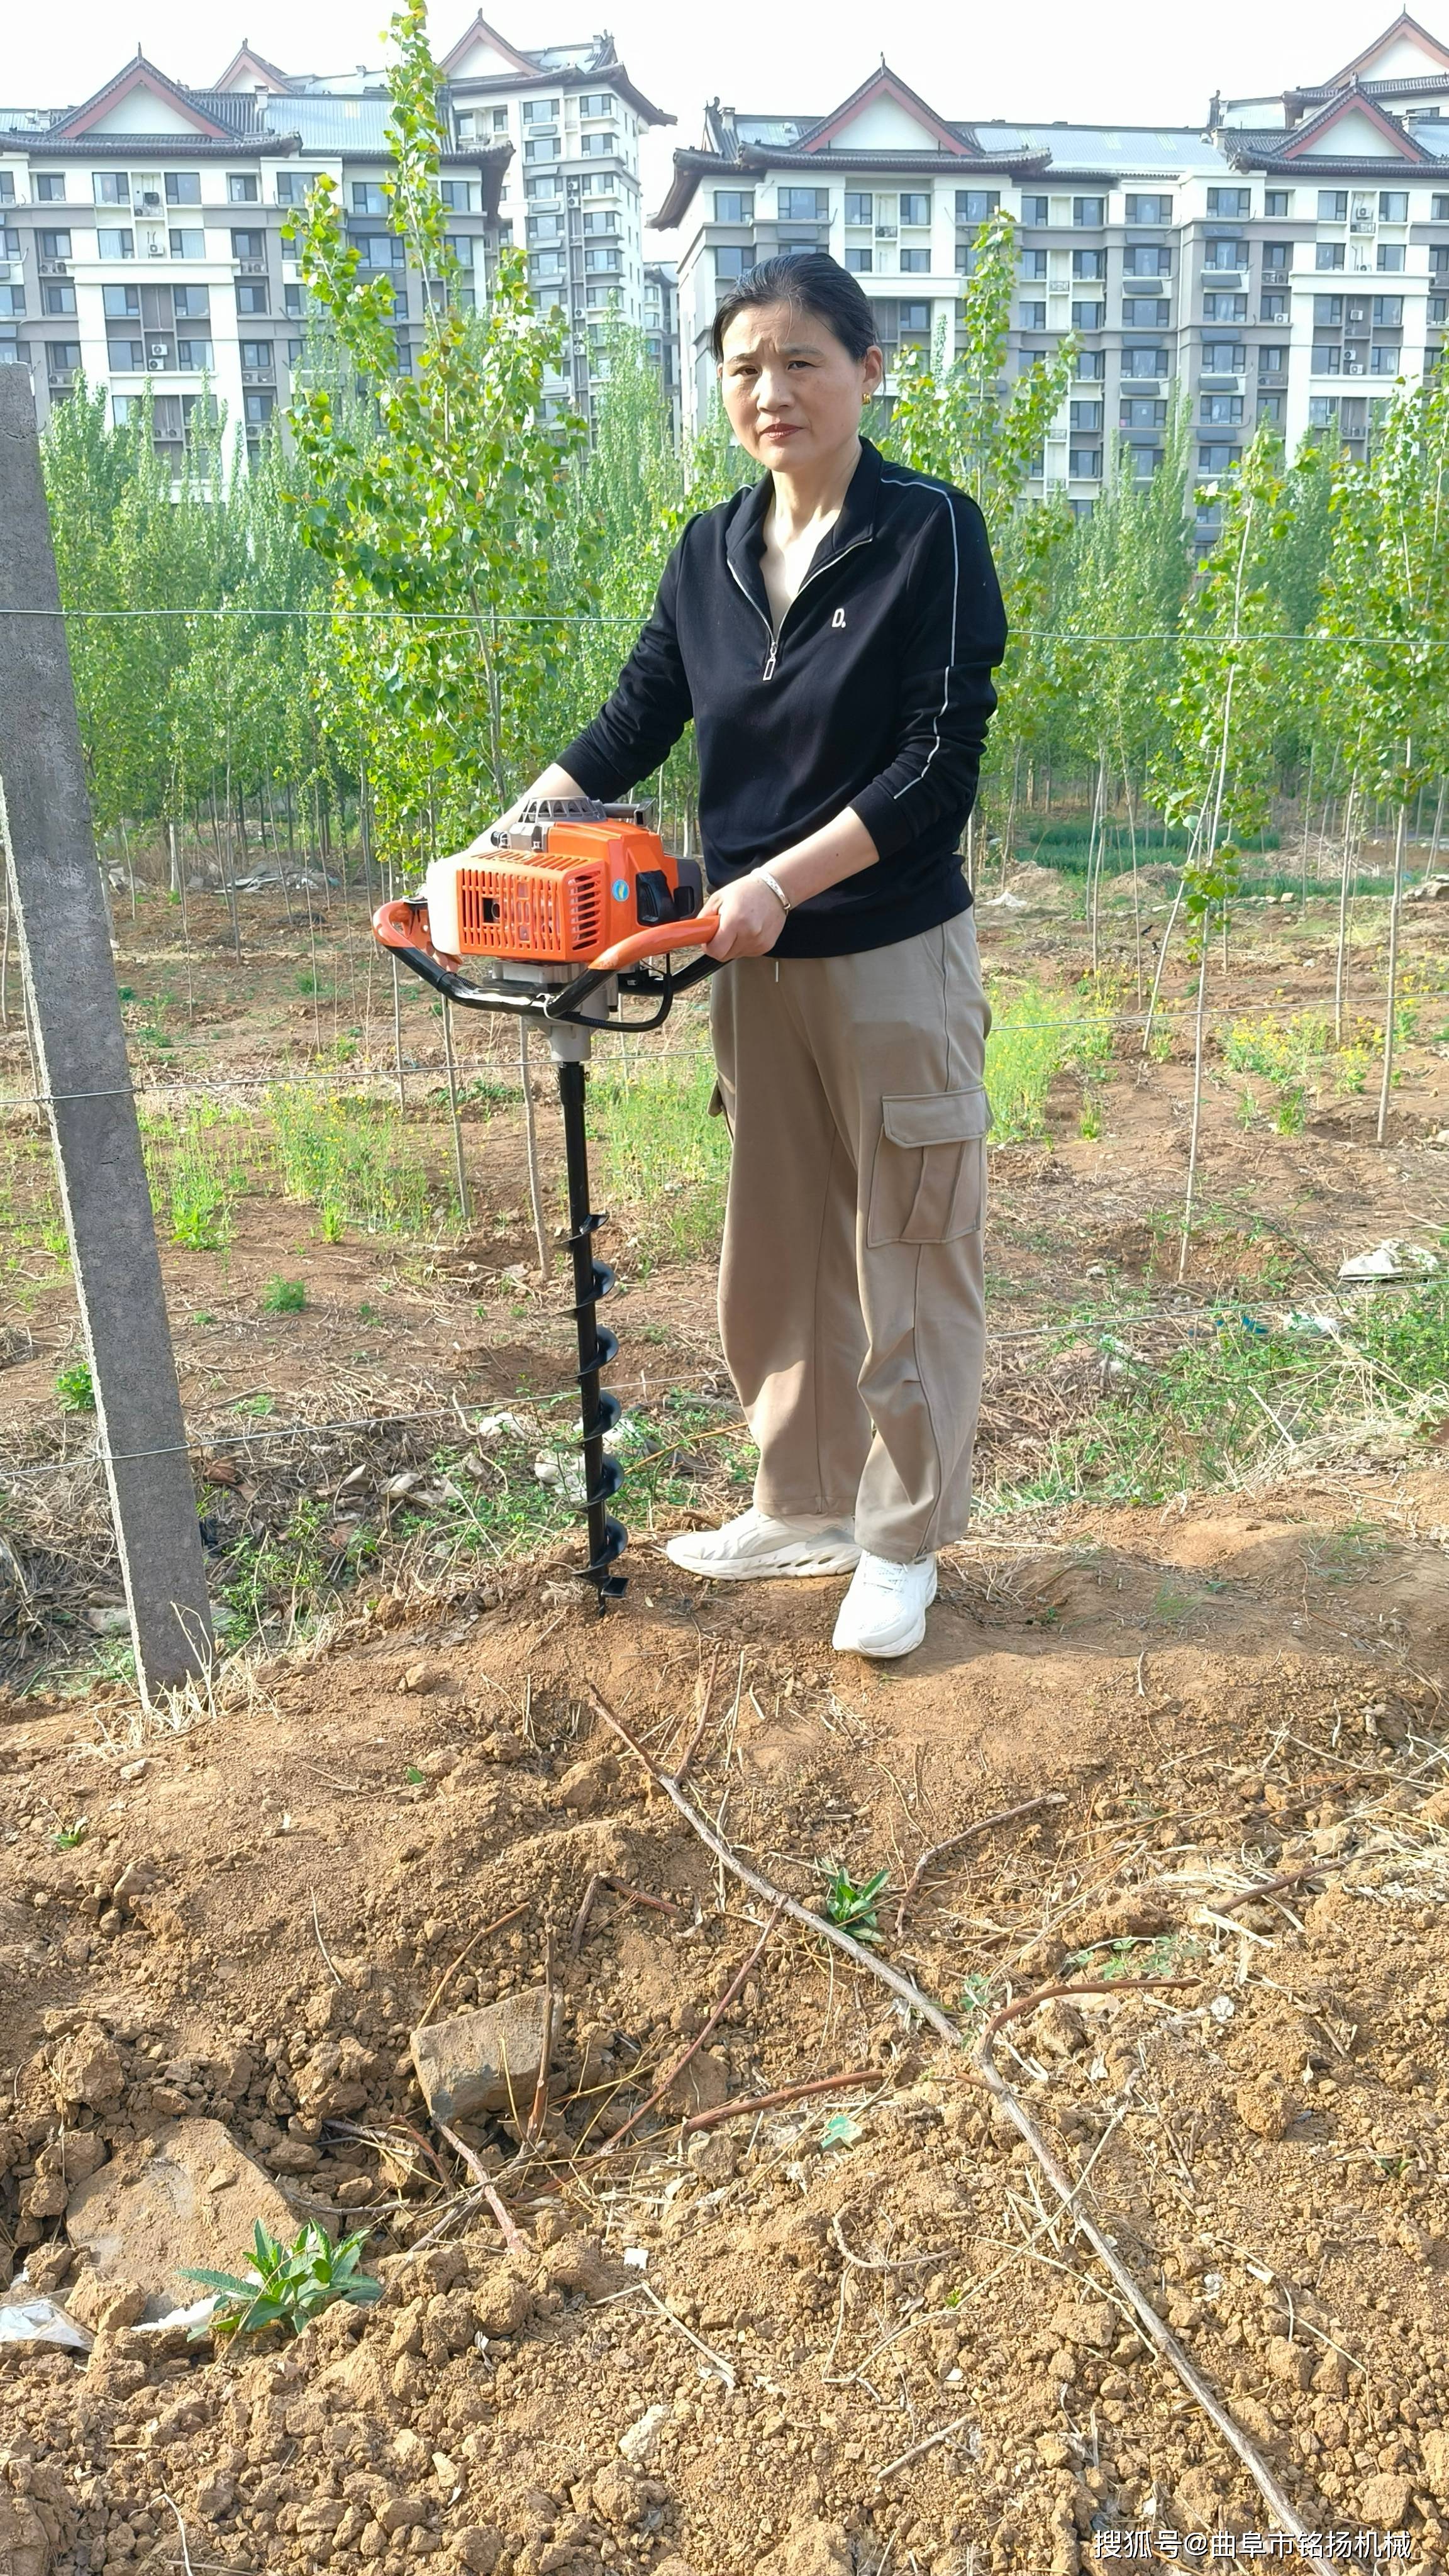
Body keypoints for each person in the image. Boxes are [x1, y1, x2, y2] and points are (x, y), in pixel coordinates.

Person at [492, 251, 1006, 1657]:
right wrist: (498, 846)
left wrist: (778, 879)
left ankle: (901, 1541)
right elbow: (630, 723)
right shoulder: (709, 548)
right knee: (777, 1246)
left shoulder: (929, 533)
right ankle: (804, 1499)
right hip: (749, 960)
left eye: (800, 361)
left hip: (885, 948)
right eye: (743, 367)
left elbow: (934, 767)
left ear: (867, 369)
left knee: (908, 1239)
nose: (770, 390)